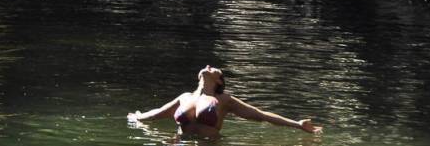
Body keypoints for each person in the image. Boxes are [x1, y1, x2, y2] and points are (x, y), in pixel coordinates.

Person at [127, 65, 322, 137]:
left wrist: (297, 124)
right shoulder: (184, 97)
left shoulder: (223, 100)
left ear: (219, 81)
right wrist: (137, 117)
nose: (208, 66)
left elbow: (260, 115)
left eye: (213, 68)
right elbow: (157, 113)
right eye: (207, 67)